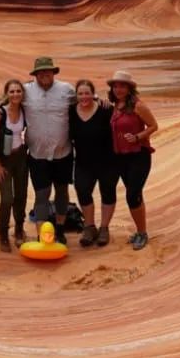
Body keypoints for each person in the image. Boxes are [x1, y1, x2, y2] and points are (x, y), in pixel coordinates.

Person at [20, 56, 76, 243]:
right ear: (35, 74)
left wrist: (99, 101)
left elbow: (84, 102)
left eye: (48, 71)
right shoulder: (25, 90)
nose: (44, 74)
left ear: (53, 72)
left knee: (62, 192)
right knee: (41, 194)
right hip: (37, 154)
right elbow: (5, 100)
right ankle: (42, 235)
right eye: (41, 71)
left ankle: (59, 230)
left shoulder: (67, 90)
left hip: (63, 153)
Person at [107, 70, 159, 250]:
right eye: (116, 86)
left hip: (138, 155)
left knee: (132, 195)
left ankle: (143, 233)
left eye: (122, 86)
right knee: (135, 194)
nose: (118, 89)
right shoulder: (115, 106)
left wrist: (138, 136)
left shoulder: (138, 106)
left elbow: (154, 125)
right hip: (121, 157)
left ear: (130, 88)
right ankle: (139, 231)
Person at [68, 78, 117, 247]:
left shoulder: (105, 109)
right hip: (83, 162)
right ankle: (89, 227)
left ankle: (104, 228)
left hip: (107, 161)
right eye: (80, 94)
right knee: (82, 190)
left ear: (93, 94)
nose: (84, 97)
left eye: (87, 93)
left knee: (108, 192)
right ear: (76, 95)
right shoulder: (71, 112)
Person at [0, 78, 30, 251]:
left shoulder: (25, 111)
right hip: (3, 160)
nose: (15, 94)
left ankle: (19, 229)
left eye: (18, 91)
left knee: (21, 196)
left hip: (20, 157)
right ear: (7, 94)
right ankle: (3, 234)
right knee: (6, 199)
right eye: (12, 91)